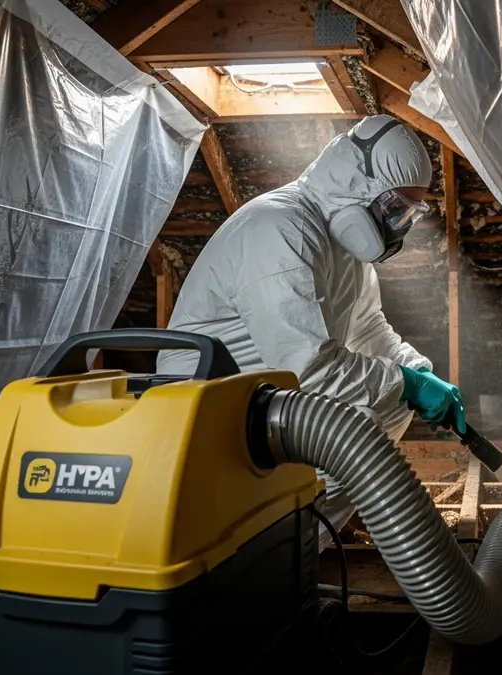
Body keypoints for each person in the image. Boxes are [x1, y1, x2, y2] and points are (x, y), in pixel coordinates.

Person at [157, 115, 466, 545]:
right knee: (354, 435)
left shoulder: (345, 251)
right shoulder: (280, 230)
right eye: (395, 209)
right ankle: (283, 557)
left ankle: (313, 529)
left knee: (391, 406)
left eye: (408, 215)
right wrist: (404, 381)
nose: (399, 228)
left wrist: (417, 370)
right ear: (355, 185)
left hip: (263, 401)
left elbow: (368, 328)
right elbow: (310, 370)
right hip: (206, 412)